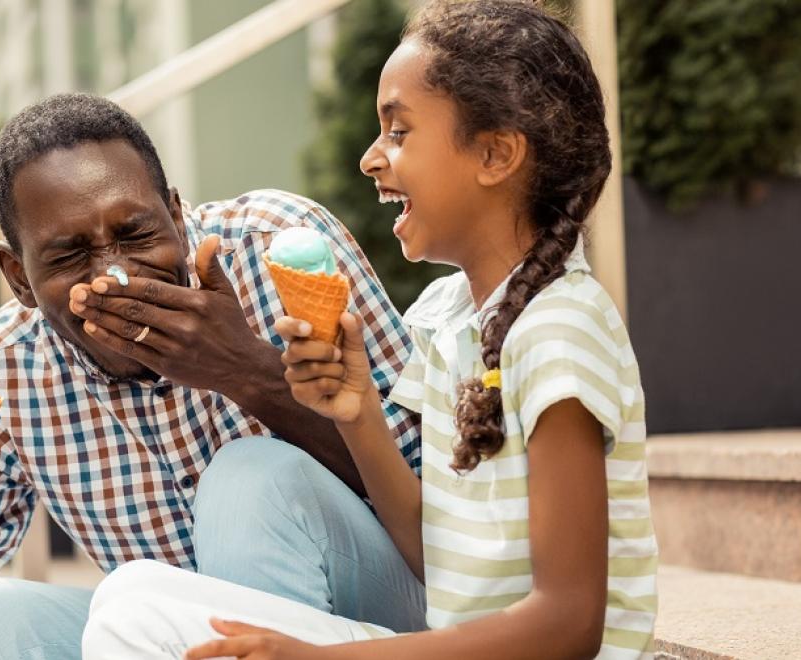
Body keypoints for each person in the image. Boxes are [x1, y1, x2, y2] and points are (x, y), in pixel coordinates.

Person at [82, 1, 658, 658]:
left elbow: (568, 625)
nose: (370, 159)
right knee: (129, 595)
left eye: (399, 132)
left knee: (139, 625)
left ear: (495, 154)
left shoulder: (560, 331)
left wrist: (322, 657)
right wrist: (357, 418)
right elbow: (436, 560)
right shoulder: (448, 319)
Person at [0, 93, 425, 660]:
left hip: (384, 622)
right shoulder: (2, 371)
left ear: (175, 212)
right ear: (18, 278)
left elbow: (446, 501)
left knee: (249, 476)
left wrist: (248, 375)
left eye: (135, 233)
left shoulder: (277, 249)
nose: (112, 276)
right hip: (157, 633)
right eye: (68, 256)